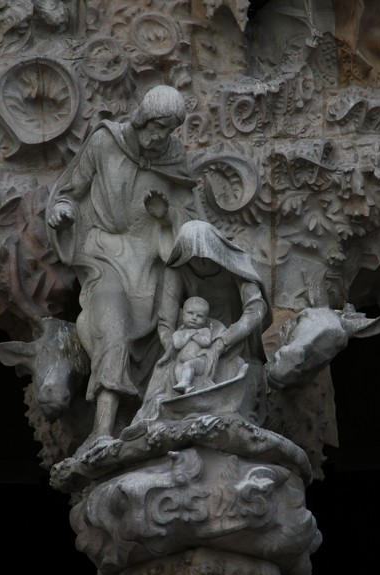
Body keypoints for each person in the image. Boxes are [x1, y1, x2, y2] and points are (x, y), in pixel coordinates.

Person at [46, 85, 197, 450]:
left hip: (149, 263)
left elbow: (193, 219)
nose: (161, 137)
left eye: (169, 130)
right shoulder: (104, 142)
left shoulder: (174, 157)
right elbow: (70, 191)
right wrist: (61, 210)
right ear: (143, 118)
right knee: (112, 326)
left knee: (167, 337)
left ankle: (148, 421)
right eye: (158, 127)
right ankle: (101, 430)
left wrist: (167, 216)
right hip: (104, 256)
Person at [121, 219, 273, 435]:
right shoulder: (178, 270)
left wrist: (222, 342)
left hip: (235, 343)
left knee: (241, 406)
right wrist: (172, 346)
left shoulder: (236, 264)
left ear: (214, 249)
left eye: (203, 256)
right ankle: (149, 425)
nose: (199, 263)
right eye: (192, 257)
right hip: (190, 343)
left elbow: (256, 309)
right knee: (164, 380)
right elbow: (165, 321)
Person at [172, 296, 215, 394]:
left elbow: (206, 342)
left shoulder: (205, 331)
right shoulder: (178, 333)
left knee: (189, 364)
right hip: (181, 362)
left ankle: (185, 382)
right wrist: (189, 334)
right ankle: (186, 388)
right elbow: (177, 345)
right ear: (183, 315)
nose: (194, 318)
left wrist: (194, 334)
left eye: (199, 316)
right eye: (190, 313)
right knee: (177, 369)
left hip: (200, 363)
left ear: (205, 320)